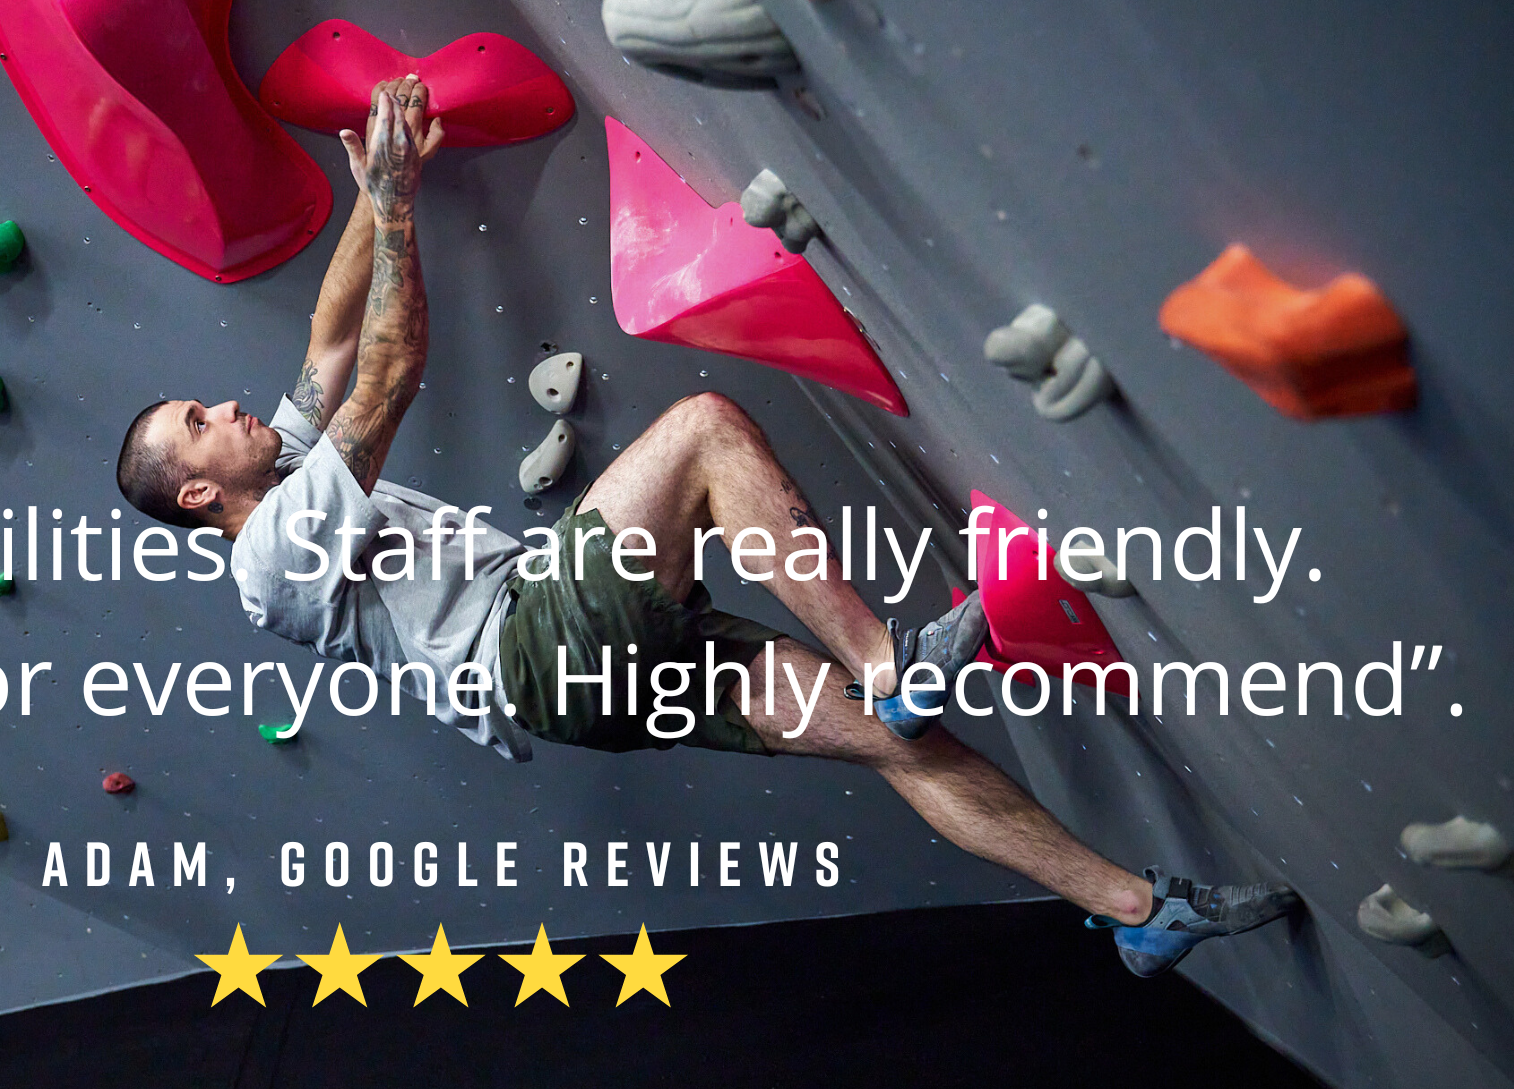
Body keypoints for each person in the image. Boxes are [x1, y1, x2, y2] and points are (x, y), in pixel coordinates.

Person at [114, 76, 1297, 978]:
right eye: (198, 420)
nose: (224, 407)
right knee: (701, 433)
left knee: (898, 753)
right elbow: (385, 373)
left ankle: (1143, 917)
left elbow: (327, 342)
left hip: (582, 672)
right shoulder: (272, 556)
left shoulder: (282, 478)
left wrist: (381, 185)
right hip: (538, 647)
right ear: (199, 495)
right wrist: (397, 205)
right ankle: (890, 666)